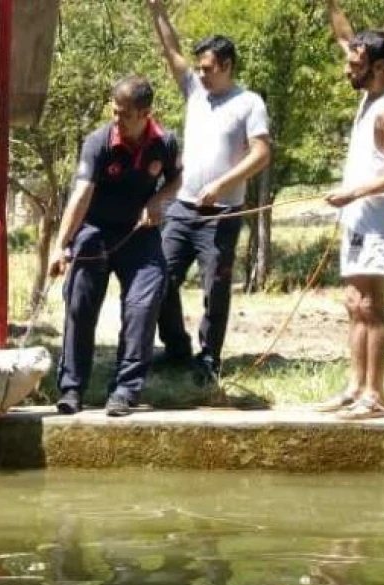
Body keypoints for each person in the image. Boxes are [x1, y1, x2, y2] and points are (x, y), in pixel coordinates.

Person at [145, 0, 272, 384]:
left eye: (208, 68)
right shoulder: (196, 94)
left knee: (215, 287)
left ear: (227, 66)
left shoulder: (249, 103)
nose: (200, 74)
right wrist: (157, 13)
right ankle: (177, 348)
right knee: (160, 278)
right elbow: (172, 53)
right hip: (181, 208)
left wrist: (221, 185)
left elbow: (262, 153)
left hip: (221, 213)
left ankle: (208, 358)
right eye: (199, 68)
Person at [49, 76, 182, 417]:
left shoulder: (165, 143)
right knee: (80, 302)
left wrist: (159, 200)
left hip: (139, 235)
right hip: (93, 231)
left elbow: (177, 179)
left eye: (124, 113)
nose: (116, 118)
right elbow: (81, 196)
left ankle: (124, 390)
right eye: (114, 110)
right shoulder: (98, 143)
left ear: (145, 113)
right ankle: (72, 388)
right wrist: (60, 245)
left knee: (143, 302)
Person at [315, 0, 384, 420]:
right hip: (357, 218)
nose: (347, 69)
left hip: (377, 221)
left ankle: (375, 396)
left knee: (371, 304)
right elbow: (344, 35)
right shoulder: (367, 82)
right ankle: (355, 387)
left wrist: (354, 193)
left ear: (380, 67)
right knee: (353, 302)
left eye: (356, 65)